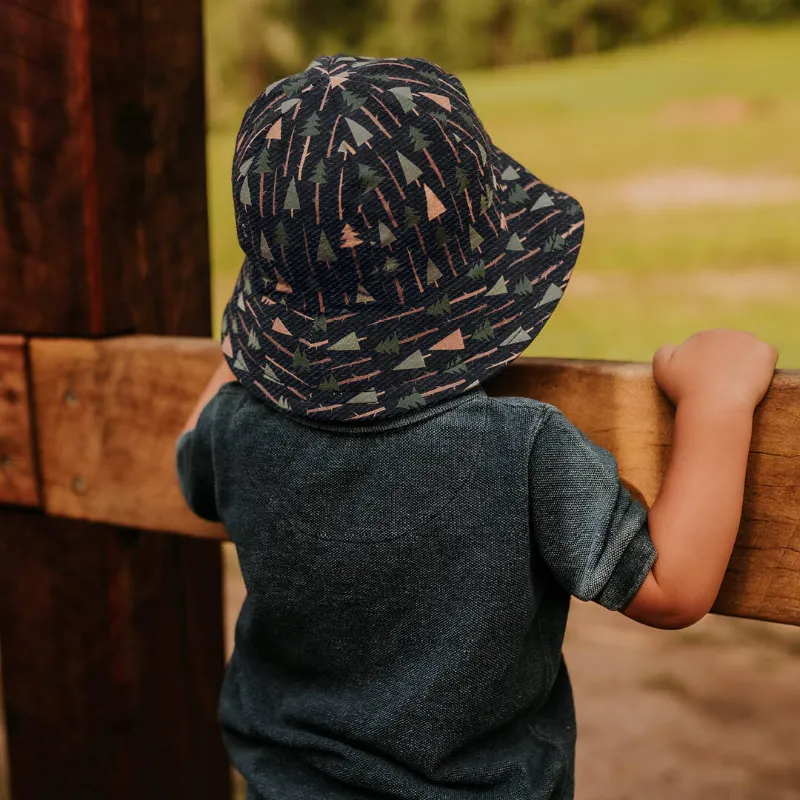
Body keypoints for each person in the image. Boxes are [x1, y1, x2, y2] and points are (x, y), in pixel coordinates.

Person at [175, 55, 778, 800]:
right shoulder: (514, 450)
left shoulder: (240, 433)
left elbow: (192, 463)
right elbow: (671, 587)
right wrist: (715, 403)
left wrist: (255, 356)